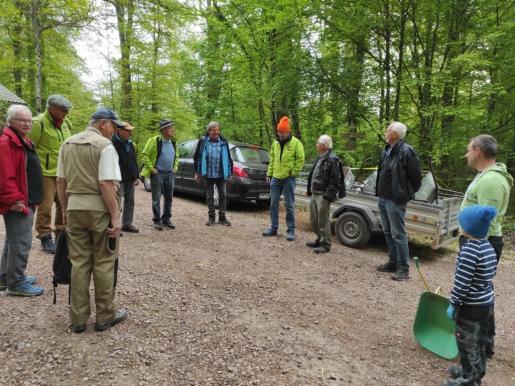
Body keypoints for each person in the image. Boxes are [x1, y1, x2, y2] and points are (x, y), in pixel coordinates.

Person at [56, 107, 127, 333]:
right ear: (102, 124)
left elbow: (60, 181)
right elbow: (107, 183)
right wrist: (116, 217)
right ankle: (104, 316)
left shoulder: (67, 144)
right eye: (113, 126)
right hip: (99, 210)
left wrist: (66, 211)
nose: (114, 130)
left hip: (75, 208)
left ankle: (78, 318)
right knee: (104, 262)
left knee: (79, 263)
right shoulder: (105, 147)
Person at [460, 134, 512, 358]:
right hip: (478, 240)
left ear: (478, 151)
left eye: (469, 149)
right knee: (481, 291)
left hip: (482, 242)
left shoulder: (492, 180)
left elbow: (485, 220)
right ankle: (482, 342)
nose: (466, 154)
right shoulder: (485, 175)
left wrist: (473, 243)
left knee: (478, 293)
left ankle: (480, 344)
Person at [444, 205, 498, 386]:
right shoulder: (488, 246)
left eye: (461, 223)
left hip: (470, 308)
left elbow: (462, 284)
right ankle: (473, 372)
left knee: (467, 344)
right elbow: (492, 274)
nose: (460, 226)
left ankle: (469, 380)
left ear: (469, 228)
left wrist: (454, 303)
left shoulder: (469, 251)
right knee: (479, 342)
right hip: (485, 305)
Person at [0, 105, 44, 296]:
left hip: (27, 200)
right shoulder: (6, 144)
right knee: (21, 242)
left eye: (29, 120)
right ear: (10, 121)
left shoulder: (22, 140)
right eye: (22, 120)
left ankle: (4, 278)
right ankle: (16, 284)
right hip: (19, 204)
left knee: (13, 240)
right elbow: (4, 177)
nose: (27, 123)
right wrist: (15, 200)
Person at [375, 121, 422, 281]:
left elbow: (416, 179)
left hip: (396, 200)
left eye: (388, 131)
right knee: (388, 232)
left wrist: (404, 194)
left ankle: (404, 268)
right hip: (383, 198)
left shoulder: (407, 151)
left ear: (394, 134)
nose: (386, 133)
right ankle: (393, 262)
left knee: (398, 234)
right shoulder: (386, 150)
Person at [29, 95, 72, 254]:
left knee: (63, 204)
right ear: (52, 109)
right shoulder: (38, 123)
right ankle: (45, 236)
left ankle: (61, 233)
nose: (67, 113)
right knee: (45, 206)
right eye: (64, 110)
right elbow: (28, 148)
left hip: (63, 172)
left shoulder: (66, 123)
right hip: (45, 173)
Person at [262, 116, 305, 241]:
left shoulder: (296, 143)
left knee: (289, 206)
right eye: (279, 132)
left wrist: (294, 172)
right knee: (273, 204)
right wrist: (269, 174)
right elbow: (273, 159)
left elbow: (300, 159)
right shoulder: (275, 142)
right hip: (275, 178)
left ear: (288, 131)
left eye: (282, 132)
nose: (280, 134)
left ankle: (291, 231)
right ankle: (273, 228)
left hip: (288, 179)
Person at [306, 135, 345, 253]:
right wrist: (309, 189)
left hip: (323, 194)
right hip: (315, 192)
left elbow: (335, 180)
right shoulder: (321, 157)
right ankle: (319, 238)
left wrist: (327, 196)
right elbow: (314, 175)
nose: (316, 145)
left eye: (318, 143)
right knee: (314, 219)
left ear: (323, 146)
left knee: (323, 220)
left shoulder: (333, 159)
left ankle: (326, 244)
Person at [141, 120, 179, 231]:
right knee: (156, 198)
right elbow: (144, 155)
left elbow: (176, 156)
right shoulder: (154, 141)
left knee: (169, 198)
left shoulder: (173, 142)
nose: (173, 129)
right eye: (171, 127)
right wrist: (151, 169)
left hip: (170, 174)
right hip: (157, 174)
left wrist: (175, 167)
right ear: (164, 130)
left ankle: (166, 219)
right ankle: (157, 220)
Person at [193, 121, 233, 226]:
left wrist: (229, 172)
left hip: (221, 173)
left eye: (217, 130)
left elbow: (228, 158)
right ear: (209, 131)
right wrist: (197, 172)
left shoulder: (224, 141)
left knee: (223, 195)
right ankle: (211, 218)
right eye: (214, 131)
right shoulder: (203, 141)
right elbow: (196, 157)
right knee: (209, 196)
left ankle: (222, 217)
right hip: (208, 173)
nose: (216, 132)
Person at [112, 122, 139, 233]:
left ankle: (127, 223)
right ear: (119, 131)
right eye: (127, 130)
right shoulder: (112, 143)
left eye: (130, 130)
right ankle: (116, 225)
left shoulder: (130, 143)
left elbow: (133, 159)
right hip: (119, 178)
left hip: (130, 177)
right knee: (117, 203)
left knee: (130, 201)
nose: (130, 133)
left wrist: (136, 174)